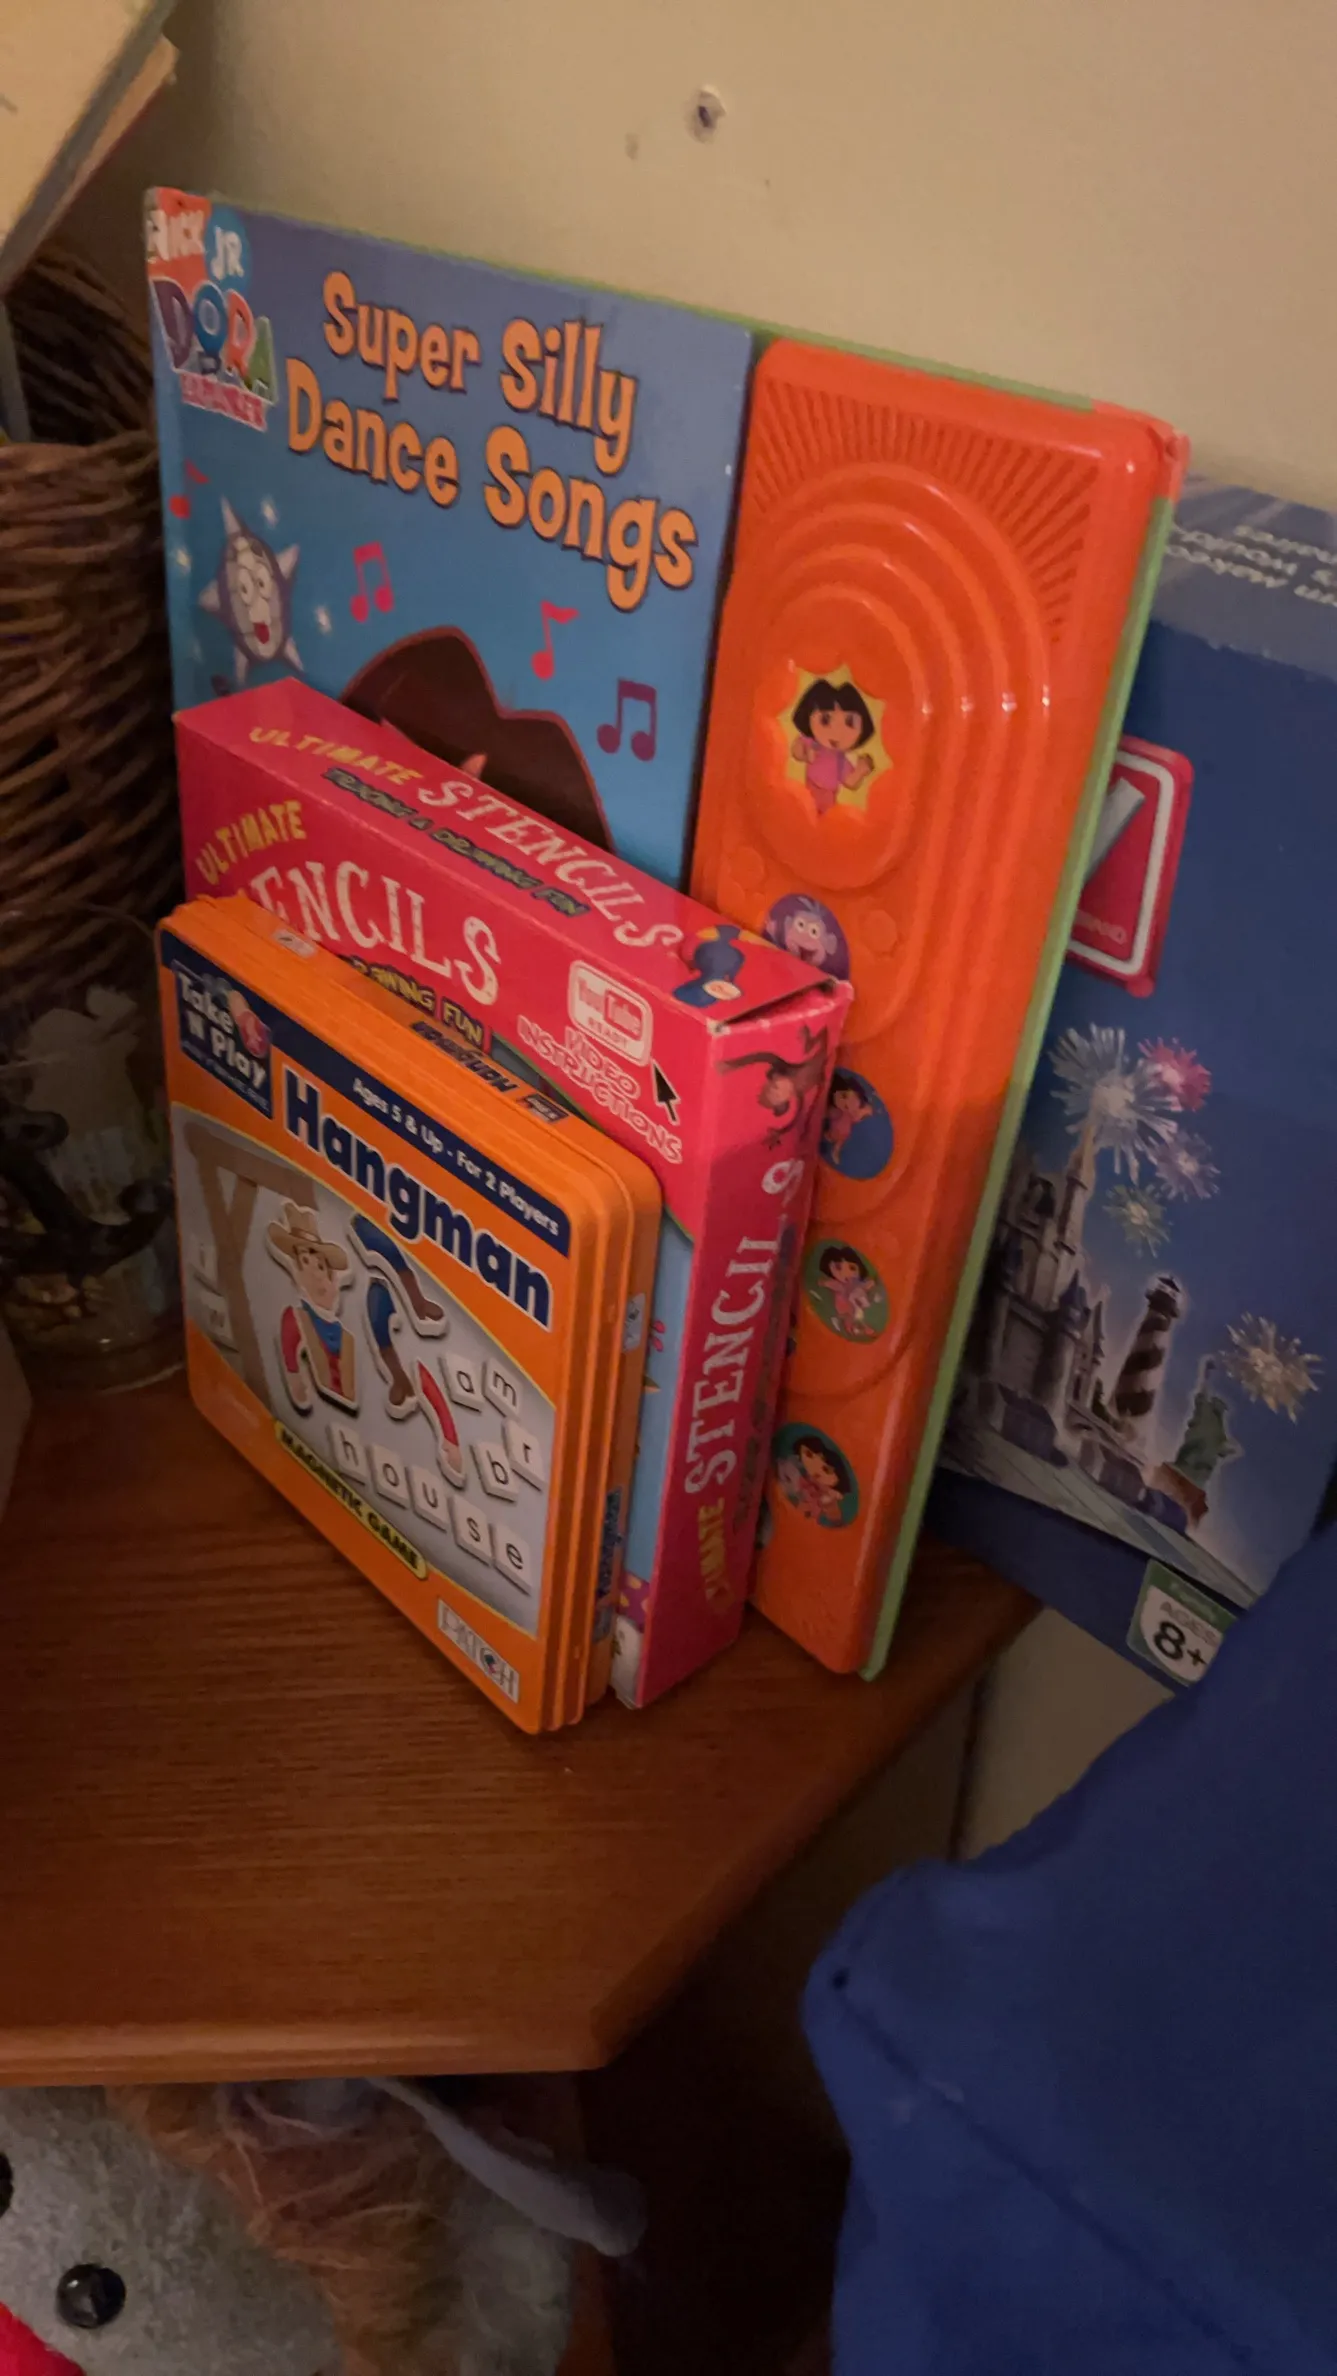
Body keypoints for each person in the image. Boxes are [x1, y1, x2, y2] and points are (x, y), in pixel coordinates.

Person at [791, 678, 877, 816]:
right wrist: (806, 753)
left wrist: (861, 770)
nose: (836, 732)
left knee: (826, 820)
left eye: (849, 722)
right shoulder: (812, 743)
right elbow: (796, 751)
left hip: (829, 797)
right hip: (809, 789)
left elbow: (850, 782)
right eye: (825, 720)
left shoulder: (842, 761)